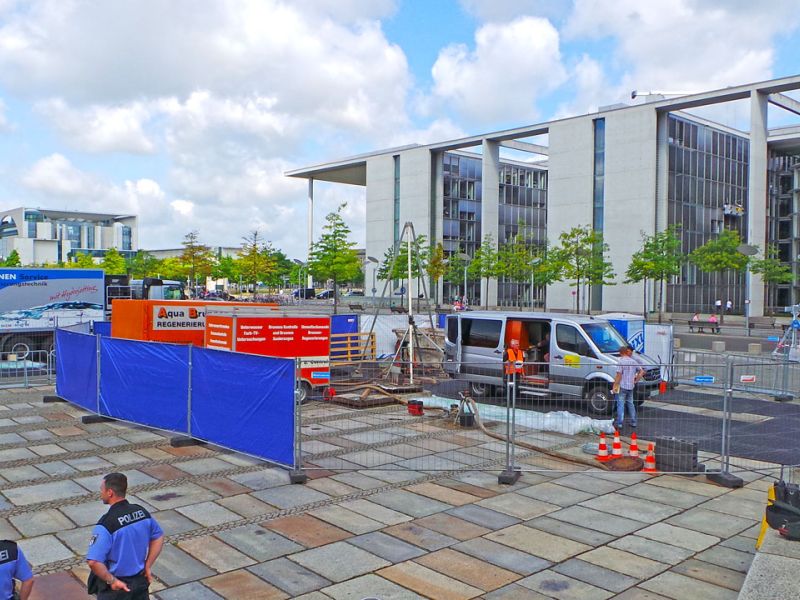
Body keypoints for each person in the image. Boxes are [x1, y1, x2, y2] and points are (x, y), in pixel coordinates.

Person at [87, 473, 164, 600]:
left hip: (117, 588)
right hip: (140, 582)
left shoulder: (107, 523)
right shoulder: (141, 512)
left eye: (102, 489)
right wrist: (148, 565)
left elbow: (93, 561)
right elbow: (158, 537)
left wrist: (111, 581)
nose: (101, 493)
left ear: (110, 492)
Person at [612, 345, 644, 429]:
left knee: (621, 404)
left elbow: (619, 375)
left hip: (622, 386)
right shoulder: (633, 361)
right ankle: (633, 421)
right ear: (626, 352)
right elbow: (641, 371)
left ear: (620, 353)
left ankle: (619, 423)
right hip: (631, 386)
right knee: (630, 404)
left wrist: (615, 385)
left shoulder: (621, 362)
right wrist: (636, 380)